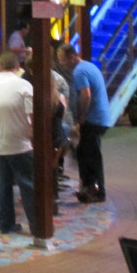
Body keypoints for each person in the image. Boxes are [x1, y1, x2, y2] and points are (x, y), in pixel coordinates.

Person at [0, 51, 36, 236]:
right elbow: (33, 116)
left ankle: (6, 224)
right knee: (27, 184)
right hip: (21, 143)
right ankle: (37, 225)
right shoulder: (24, 85)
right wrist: (32, 135)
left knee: (2, 185)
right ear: (17, 67)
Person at [56, 43, 111, 204]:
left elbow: (85, 95)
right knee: (84, 152)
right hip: (99, 117)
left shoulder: (79, 71)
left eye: (63, 60)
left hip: (93, 119)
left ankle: (97, 190)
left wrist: (81, 117)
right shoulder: (88, 66)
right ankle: (88, 187)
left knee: (91, 155)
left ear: (72, 57)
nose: (62, 64)